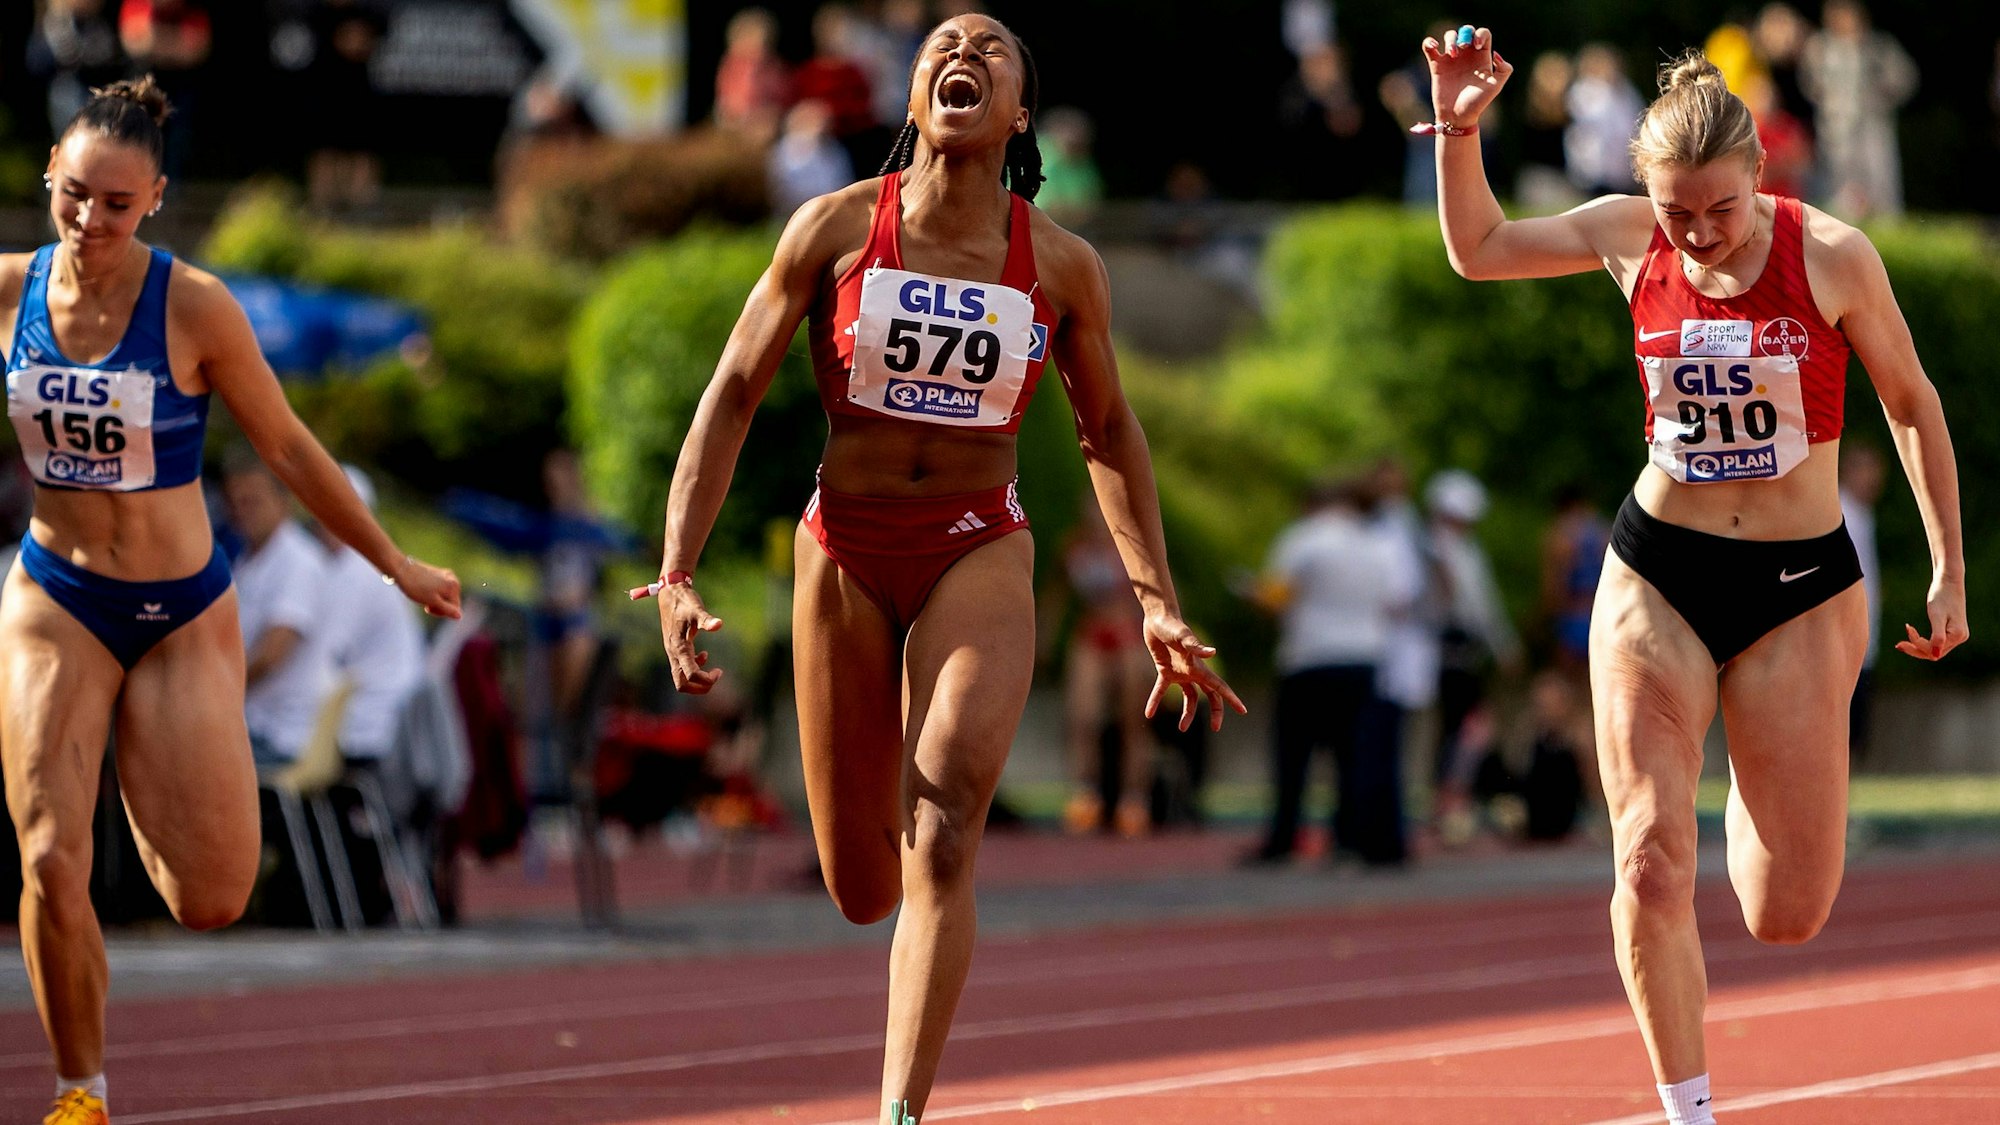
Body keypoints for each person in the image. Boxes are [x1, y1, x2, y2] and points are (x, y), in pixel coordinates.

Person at [648, 16, 1244, 1124]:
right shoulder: (829, 230)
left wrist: (1156, 600)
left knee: (946, 823)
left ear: (1018, 111)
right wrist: (677, 567)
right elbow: (730, 393)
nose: (960, 50)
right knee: (861, 885)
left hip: (978, 542)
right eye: (938, 46)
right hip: (843, 550)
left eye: (990, 47)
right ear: (911, 100)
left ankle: (900, 1111)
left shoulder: (1060, 266)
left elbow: (1108, 433)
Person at [1424, 26, 1964, 1125]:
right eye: (1677, 213)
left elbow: (1910, 405)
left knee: (1784, 915)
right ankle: (1688, 1113)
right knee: (1648, 864)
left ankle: (1734, 784)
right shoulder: (1630, 238)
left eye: (1720, 210)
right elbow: (1477, 248)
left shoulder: (1832, 255)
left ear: (1759, 177)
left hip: (1795, 593)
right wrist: (1459, 130)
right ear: (1646, 197)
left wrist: (1947, 566)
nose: (1700, 235)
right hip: (1656, 571)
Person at [1, 78, 459, 1125]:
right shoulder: (10, 291)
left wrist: (395, 563)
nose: (90, 222)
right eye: (74, 196)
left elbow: (290, 450)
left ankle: (130, 749)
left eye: (116, 204)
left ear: (154, 197)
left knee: (210, 900)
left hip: (175, 613)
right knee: (45, 854)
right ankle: (81, 1092)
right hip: (54, 597)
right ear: (49, 183)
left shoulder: (195, 307)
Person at [1245, 476, 1413, 867]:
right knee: (1352, 757)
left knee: (1294, 756)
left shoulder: (1303, 539)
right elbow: (1396, 602)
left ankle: (1284, 837)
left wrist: (1256, 596)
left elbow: (1276, 596)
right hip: (1363, 659)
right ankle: (1347, 839)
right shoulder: (1377, 546)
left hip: (1309, 657)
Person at [1048, 498, 1157, 838]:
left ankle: (1133, 800)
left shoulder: (1131, 546)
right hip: (1091, 634)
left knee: (1133, 723)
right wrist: (1044, 639)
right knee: (1084, 718)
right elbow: (1056, 595)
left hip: (1127, 634)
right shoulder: (1074, 547)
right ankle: (1086, 796)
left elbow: (1157, 594)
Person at [1838, 442, 1885, 763]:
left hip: (1864, 643)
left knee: (1854, 736)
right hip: (1843, 644)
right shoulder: (1837, 512)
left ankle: (1841, 812)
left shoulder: (1864, 515)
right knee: (1840, 734)